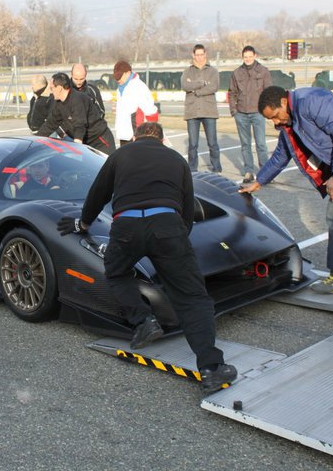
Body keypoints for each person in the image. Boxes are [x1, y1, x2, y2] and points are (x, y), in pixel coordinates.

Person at [56, 122, 237, 395]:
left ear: (135, 137)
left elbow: (97, 194)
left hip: (126, 226)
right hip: (168, 226)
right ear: (162, 139)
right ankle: (211, 369)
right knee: (191, 297)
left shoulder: (120, 155)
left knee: (116, 272)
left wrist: (83, 224)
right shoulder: (176, 159)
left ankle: (143, 320)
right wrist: (177, 242)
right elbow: (188, 207)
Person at [239, 86, 333, 294]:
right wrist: (259, 181)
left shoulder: (312, 102)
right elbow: (282, 154)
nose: (275, 122)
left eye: (275, 116)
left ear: (284, 103)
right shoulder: (289, 120)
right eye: (271, 120)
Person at [36, 72, 115, 154]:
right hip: (86, 144)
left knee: (106, 166)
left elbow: (79, 125)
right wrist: (35, 141)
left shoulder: (77, 99)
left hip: (100, 141)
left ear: (59, 88)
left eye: (52, 88)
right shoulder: (59, 103)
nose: (51, 91)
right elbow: (50, 124)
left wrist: (77, 149)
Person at [229, 46, 272, 183]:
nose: (248, 59)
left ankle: (265, 171)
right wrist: (234, 111)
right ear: (243, 57)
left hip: (258, 112)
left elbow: (268, 92)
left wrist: (266, 111)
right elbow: (232, 93)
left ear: (255, 56)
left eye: (250, 56)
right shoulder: (236, 73)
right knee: (245, 144)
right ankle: (248, 171)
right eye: (245, 57)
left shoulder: (263, 71)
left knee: (261, 143)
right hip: (241, 113)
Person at [182, 44, 221, 173]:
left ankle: (216, 167)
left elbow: (213, 87)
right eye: (196, 55)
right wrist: (202, 83)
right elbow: (185, 85)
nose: (199, 57)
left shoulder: (213, 71)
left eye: (201, 54)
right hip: (192, 112)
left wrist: (196, 91)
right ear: (193, 55)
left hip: (208, 111)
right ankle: (192, 169)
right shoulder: (187, 71)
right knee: (193, 144)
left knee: (212, 143)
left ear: (205, 54)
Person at [113, 60, 159, 146]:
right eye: (116, 77)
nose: (118, 80)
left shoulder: (139, 87)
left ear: (128, 73)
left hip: (137, 135)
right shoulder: (120, 89)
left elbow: (150, 112)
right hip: (124, 134)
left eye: (120, 77)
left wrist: (144, 134)